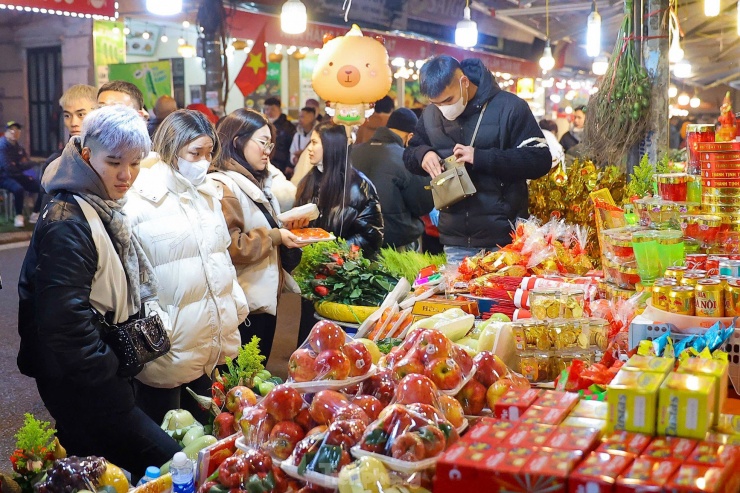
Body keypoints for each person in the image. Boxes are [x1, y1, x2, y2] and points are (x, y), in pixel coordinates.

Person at [20, 105, 180, 478]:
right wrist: (109, 373)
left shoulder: (96, 203)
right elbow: (63, 321)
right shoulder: (68, 220)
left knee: (93, 473)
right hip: (82, 379)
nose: (126, 175)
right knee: (170, 463)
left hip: (90, 372)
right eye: (114, 162)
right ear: (86, 155)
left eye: (136, 163)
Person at [124, 109, 248, 424]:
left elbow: (221, 259)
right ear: (171, 148)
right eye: (196, 153)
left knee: (208, 433)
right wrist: (159, 329)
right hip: (167, 347)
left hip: (212, 341)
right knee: (169, 442)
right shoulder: (139, 200)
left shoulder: (207, 194)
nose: (204, 162)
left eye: (209, 153)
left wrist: (235, 306)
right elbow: (135, 279)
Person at [403, 55, 551, 264]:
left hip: (505, 240)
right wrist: (422, 155)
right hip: (455, 242)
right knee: (460, 296)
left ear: (464, 82)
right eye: (435, 104)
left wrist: (482, 157)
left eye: (448, 100)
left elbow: (540, 159)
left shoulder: (510, 107)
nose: (444, 109)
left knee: (499, 297)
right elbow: (409, 154)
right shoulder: (430, 116)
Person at [211, 109, 303, 361]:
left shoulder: (252, 181)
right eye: (262, 143)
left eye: (270, 144)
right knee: (242, 381)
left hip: (259, 300)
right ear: (237, 141)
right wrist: (274, 236)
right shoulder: (224, 185)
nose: (268, 151)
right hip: (244, 304)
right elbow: (231, 246)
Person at [294, 122, 383, 346]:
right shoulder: (308, 182)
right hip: (313, 280)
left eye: (314, 142)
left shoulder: (359, 186)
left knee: (338, 348)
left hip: (345, 281)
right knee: (311, 340)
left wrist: (333, 255)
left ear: (332, 146)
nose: (309, 149)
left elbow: (371, 235)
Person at [352, 108, 433, 250]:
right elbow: (423, 205)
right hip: (395, 243)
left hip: (354, 242)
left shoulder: (352, 153)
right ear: (410, 137)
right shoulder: (407, 160)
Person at [41, 85, 98, 207]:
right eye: (67, 115)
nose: (73, 123)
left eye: (81, 114)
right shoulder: (56, 161)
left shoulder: (109, 155)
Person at [0, 121, 41, 227]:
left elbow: (27, 162)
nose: (14, 132)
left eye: (17, 130)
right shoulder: (2, 146)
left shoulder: (19, 147)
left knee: (42, 187)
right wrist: (20, 165)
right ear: (6, 133)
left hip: (17, 175)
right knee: (18, 189)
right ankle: (19, 216)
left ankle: (35, 214)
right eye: (11, 130)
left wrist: (18, 165)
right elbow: (8, 167)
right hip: (4, 177)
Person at [262, 97, 296, 178]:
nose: (269, 112)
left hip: (282, 164)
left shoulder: (288, 127)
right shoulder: (262, 125)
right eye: (267, 109)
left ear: (279, 110)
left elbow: (292, 147)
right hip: (266, 162)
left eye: (273, 109)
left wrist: (289, 164)